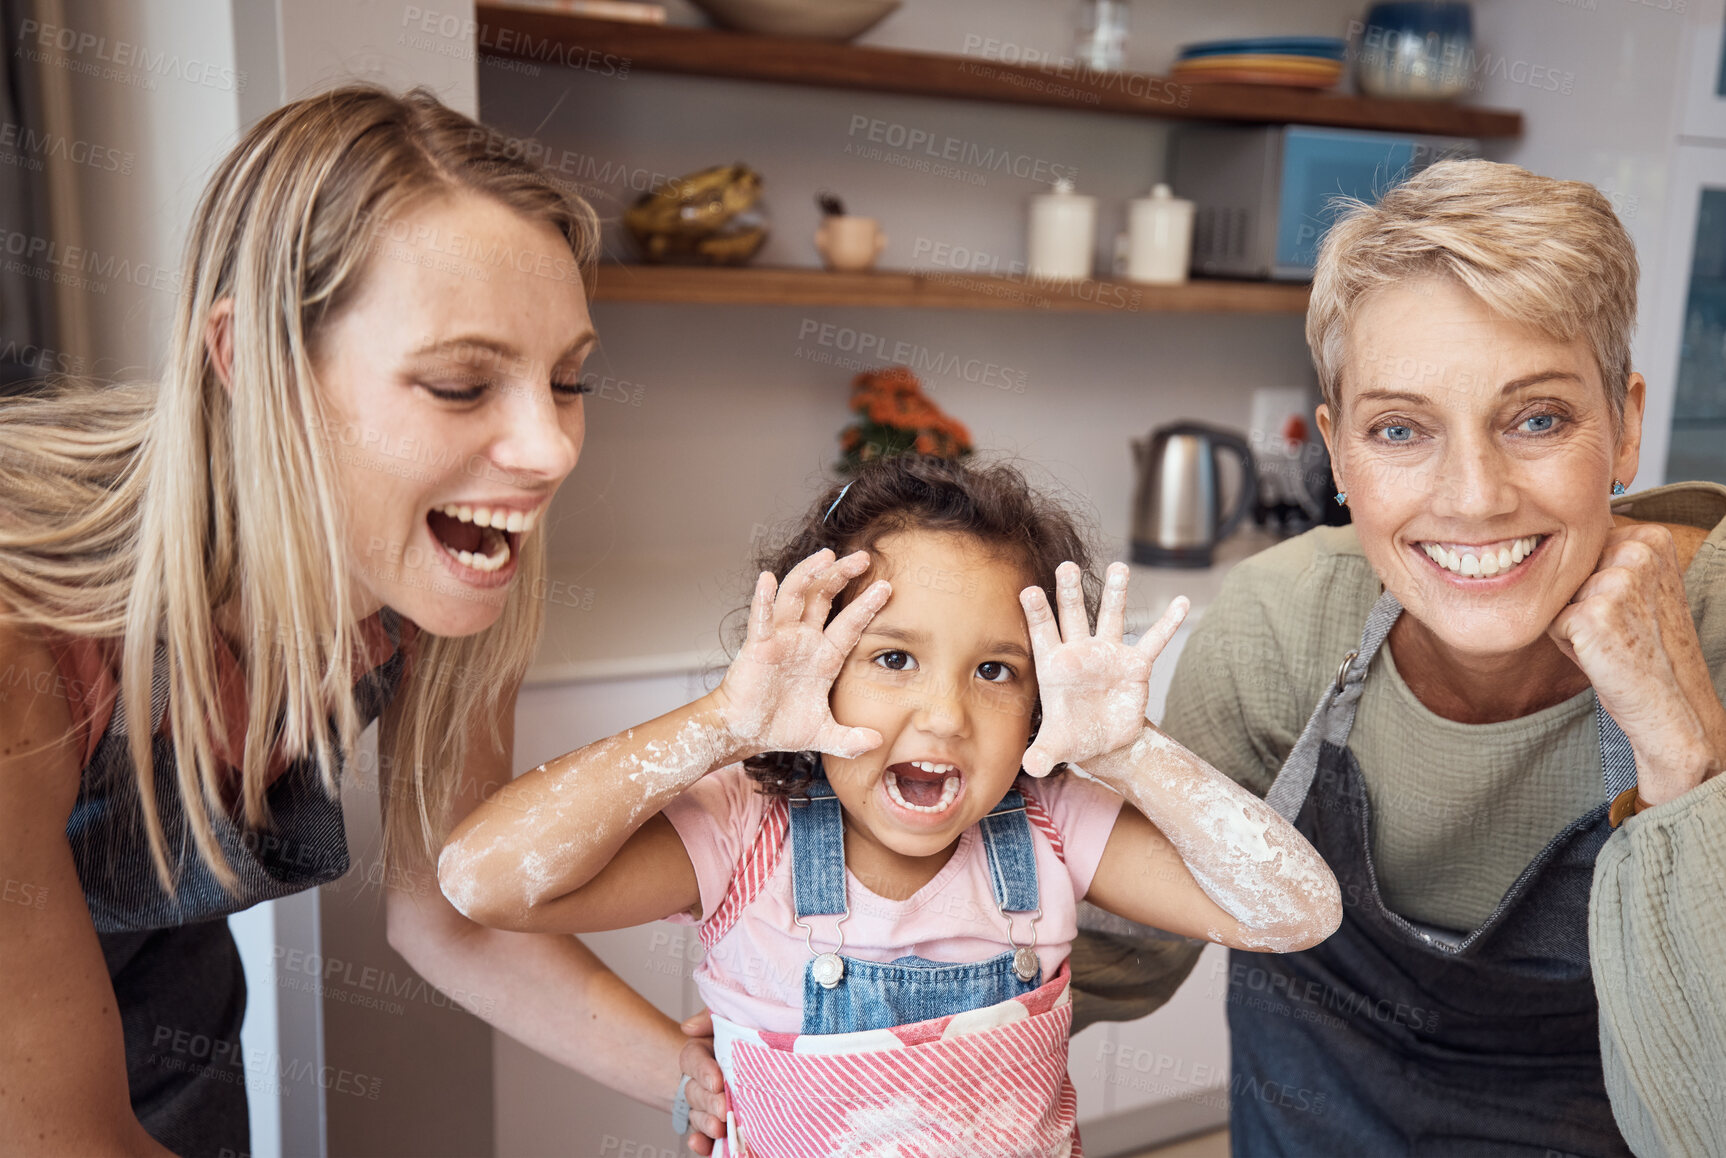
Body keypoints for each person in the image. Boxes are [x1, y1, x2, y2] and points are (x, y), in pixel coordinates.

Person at [0, 86, 713, 1155]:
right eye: (464, 385)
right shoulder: (27, 636)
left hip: (167, 1012)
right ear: (251, 362)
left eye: (568, 380)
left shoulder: (424, 579)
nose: (552, 449)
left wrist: (720, 1088)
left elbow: (450, 913)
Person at [1080, 158, 1726, 1155]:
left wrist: (1685, 771)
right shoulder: (1279, 628)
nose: (1472, 496)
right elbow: (1113, 954)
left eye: (1538, 418)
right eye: (1400, 429)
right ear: (1338, 456)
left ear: (1626, 424)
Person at [438, 453, 1342, 1157]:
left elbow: (1297, 912)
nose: (944, 717)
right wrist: (721, 723)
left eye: (995, 672)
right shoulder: (746, 832)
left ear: (1038, 704)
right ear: (816, 667)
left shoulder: (1052, 825)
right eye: (893, 659)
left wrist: (1130, 754)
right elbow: (483, 883)